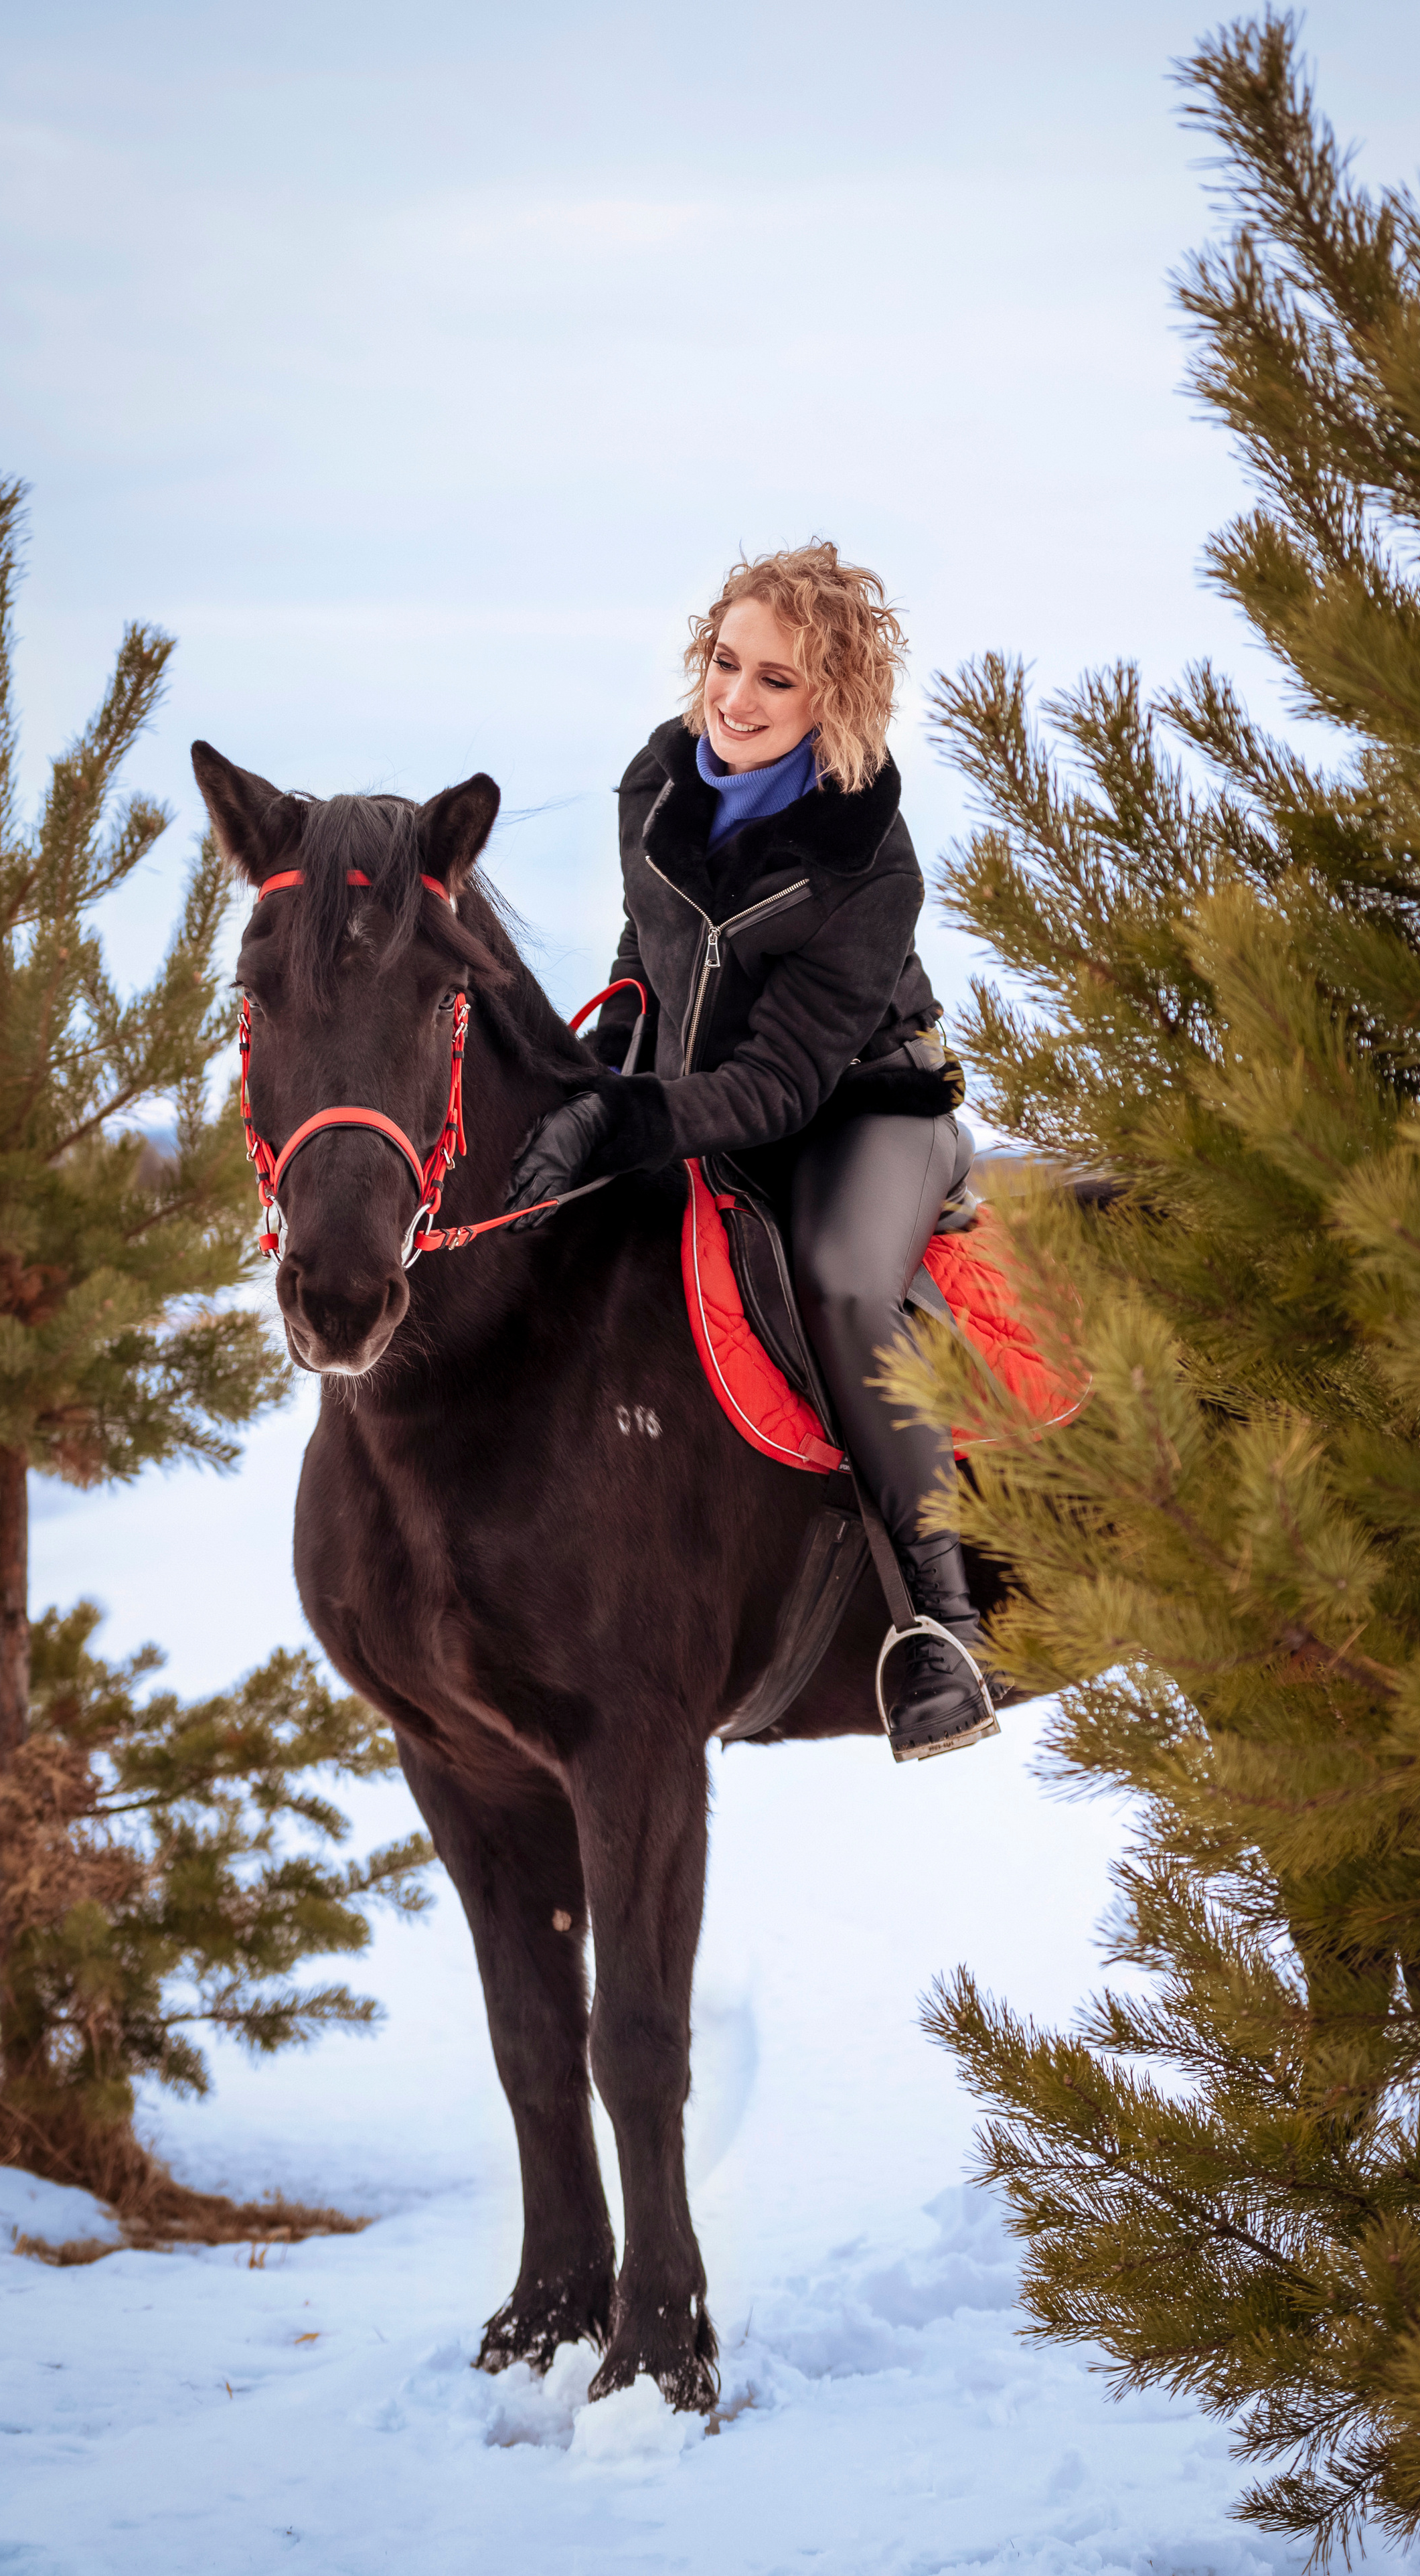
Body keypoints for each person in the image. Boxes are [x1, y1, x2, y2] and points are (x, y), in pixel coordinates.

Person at [504, 542, 994, 1760]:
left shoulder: (870, 863)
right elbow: (646, 950)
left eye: (778, 680)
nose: (736, 699)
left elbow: (780, 1086)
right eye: (727, 663)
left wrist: (633, 1120)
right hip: (699, 1096)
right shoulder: (657, 784)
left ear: (832, 699)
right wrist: (609, 1057)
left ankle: (946, 1625)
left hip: (862, 1110)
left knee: (834, 1275)